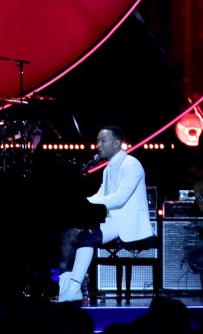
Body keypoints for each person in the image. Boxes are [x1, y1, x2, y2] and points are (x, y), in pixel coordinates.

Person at [57, 126, 153, 303]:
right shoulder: (109, 168)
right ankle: (65, 286)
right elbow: (101, 195)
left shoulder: (131, 164)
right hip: (112, 220)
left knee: (87, 237)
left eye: (103, 140)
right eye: (97, 141)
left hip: (127, 222)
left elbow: (119, 198)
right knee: (70, 233)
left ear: (117, 143)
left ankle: (74, 288)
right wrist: (81, 202)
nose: (98, 145)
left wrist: (86, 204)